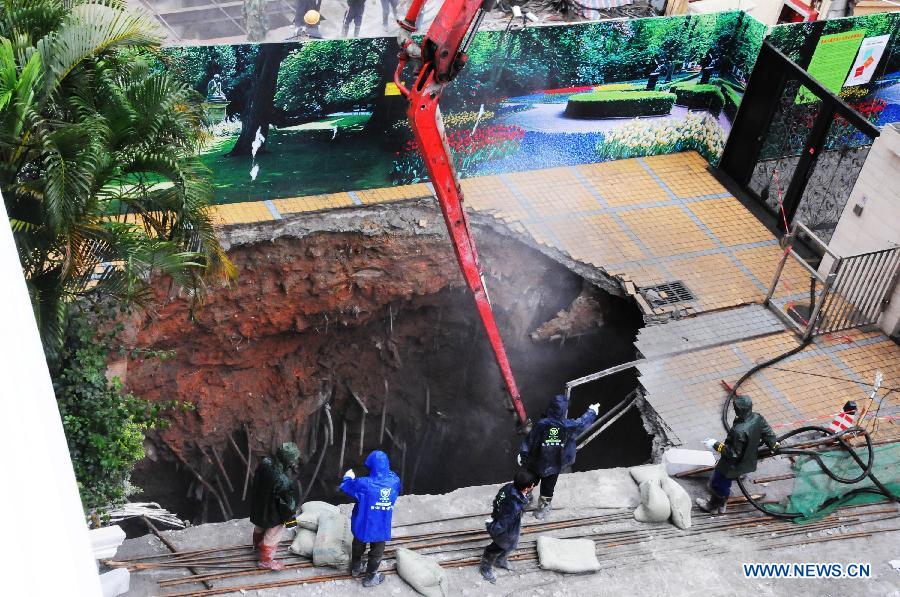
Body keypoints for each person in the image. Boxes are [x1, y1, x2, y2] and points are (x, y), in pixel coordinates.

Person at [518, 394, 599, 520]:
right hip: (553, 466)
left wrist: (522, 454)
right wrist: (592, 412)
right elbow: (582, 423)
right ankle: (543, 510)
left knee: (529, 481)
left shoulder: (541, 424)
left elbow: (529, 441)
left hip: (536, 462)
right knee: (548, 489)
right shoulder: (568, 426)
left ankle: (526, 499)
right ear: (564, 410)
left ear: (550, 408)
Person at [698, 394, 780, 514]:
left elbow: (733, 454)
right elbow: (768, 432)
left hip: (731, 465)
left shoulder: (739, 431)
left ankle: (713, 506)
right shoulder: (757, 418)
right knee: (724, 483)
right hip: (748, 460)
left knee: (717, 483)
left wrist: (715, 444)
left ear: (738, 409)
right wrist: (774, 445)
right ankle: (721, 505)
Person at [340, 450, 402, 588]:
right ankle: (370, 578)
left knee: (358, 545)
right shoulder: (394, 481)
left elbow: (346, 487)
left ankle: (355, 569)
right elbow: (398, 489)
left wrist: (347, 477)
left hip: (363, 522)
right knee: (377, 551)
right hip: (381, 524)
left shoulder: (364, 484)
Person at [479, 469, 537, 584]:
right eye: (532, 486)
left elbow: (497, 501)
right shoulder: (514, 507)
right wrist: (496, 531)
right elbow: (503, 523)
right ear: (527, 488)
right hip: (503, 529)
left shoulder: (508, 487)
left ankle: (501, 560)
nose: (533, 487)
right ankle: (485, 566)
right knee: (499, 546)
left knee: (513, 543)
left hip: (506, 521)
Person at [249, 442, 300, 570]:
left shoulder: (265, 462)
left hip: (260, 504)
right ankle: (265, 561)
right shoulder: (283, 481)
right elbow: (287, 504)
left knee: (260, 526)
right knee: (273, 534)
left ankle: (257, 547)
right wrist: (290, 520)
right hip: (273, 512)